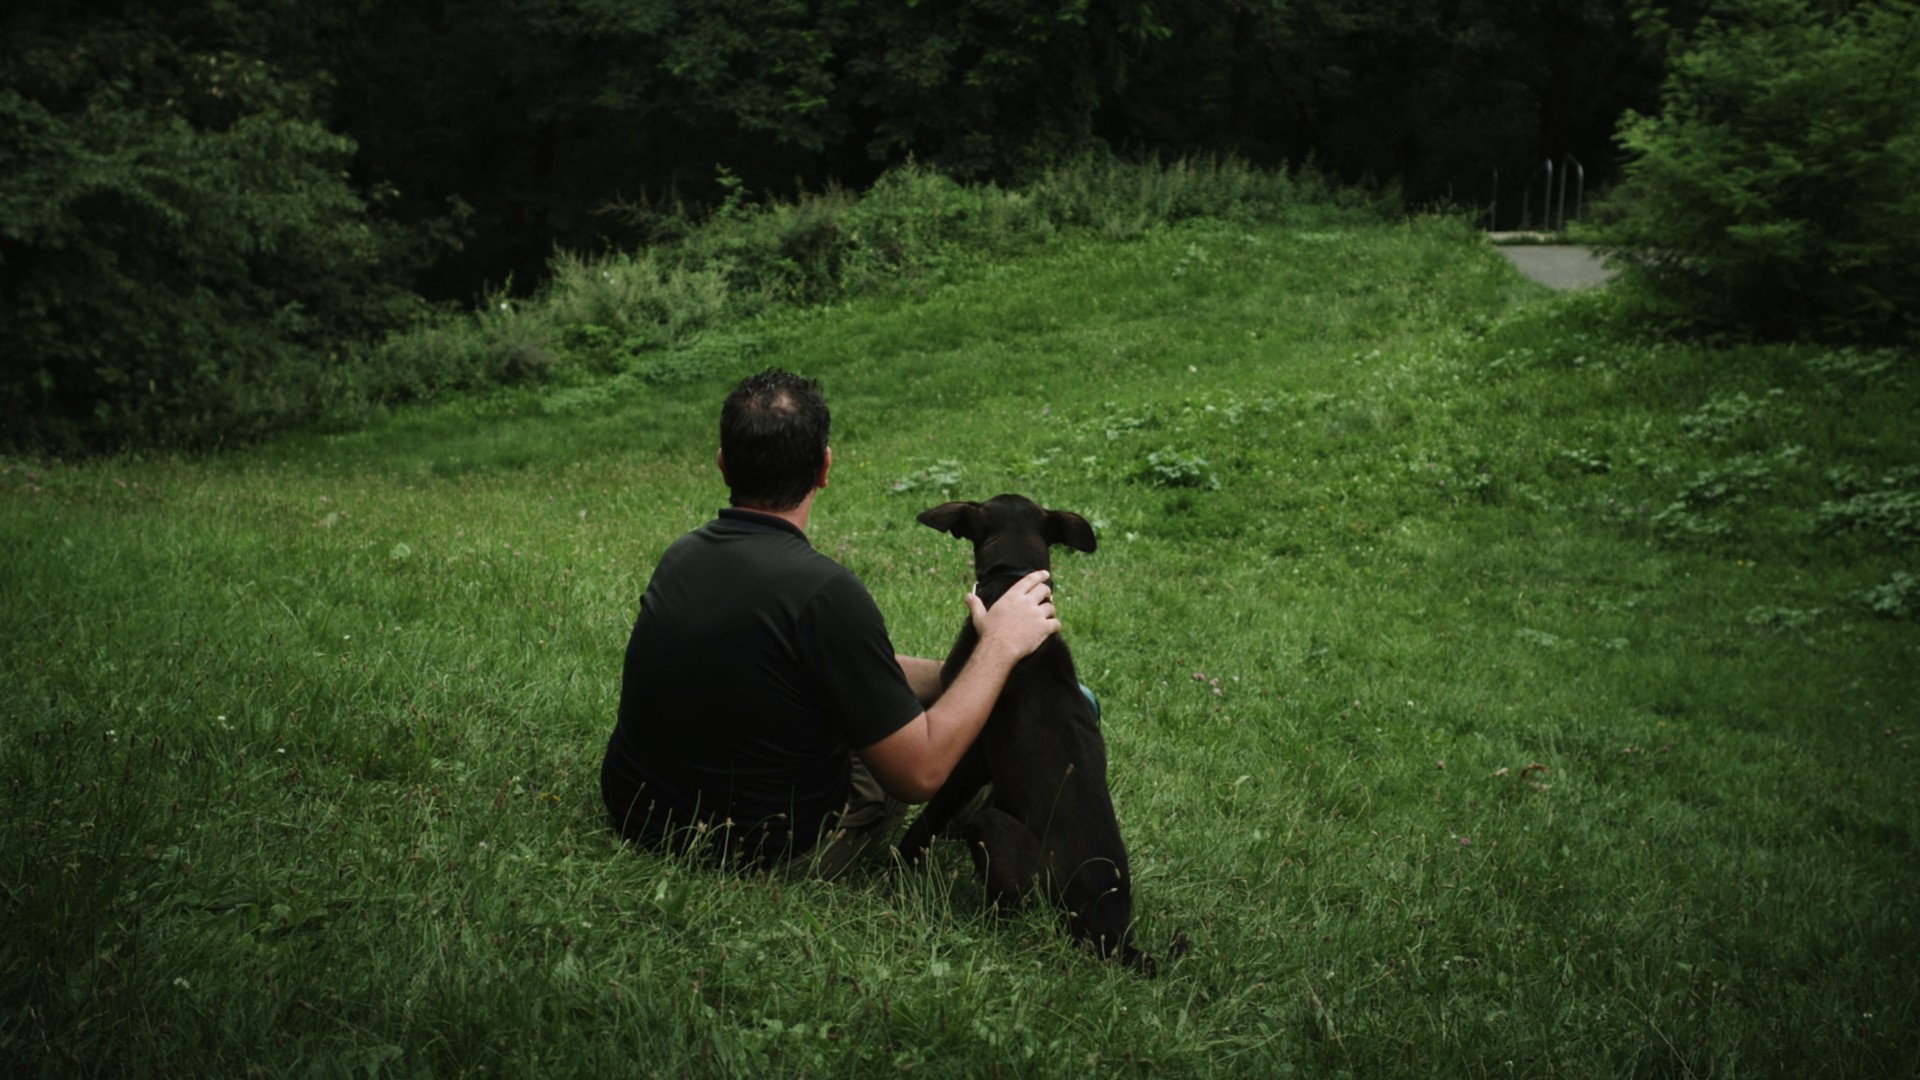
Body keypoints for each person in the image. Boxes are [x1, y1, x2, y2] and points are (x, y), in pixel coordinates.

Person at [599, 368, 1059, 874]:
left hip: (637, 816)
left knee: (893, 695)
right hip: (761, 850)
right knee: (934, 741)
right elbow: (919, 774)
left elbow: (798, 663)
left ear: (723, 465)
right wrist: (999, 647)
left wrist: (957, 678)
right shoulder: (826, 595)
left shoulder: (681, 555)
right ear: (824, 468)